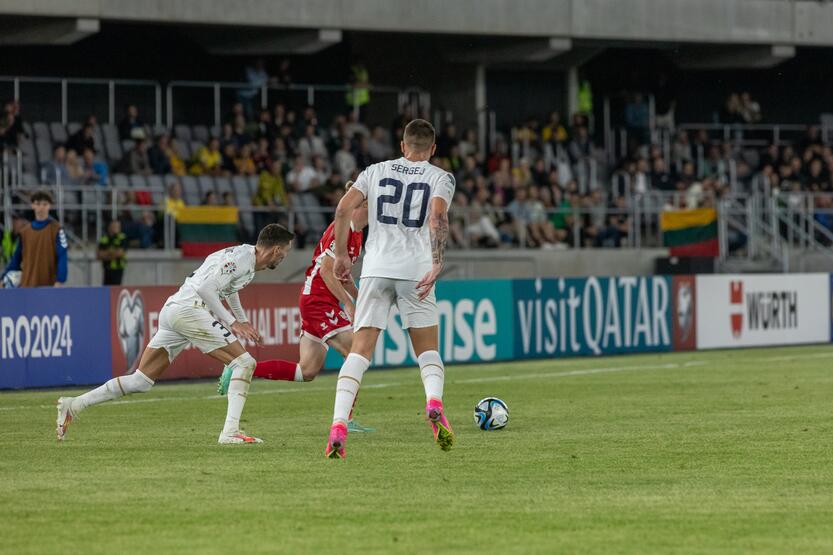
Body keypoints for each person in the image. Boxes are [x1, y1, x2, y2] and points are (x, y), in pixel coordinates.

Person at [56, 224, 295, 444]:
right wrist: (232, 322)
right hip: (189, 310)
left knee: (141, 381)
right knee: (245, 362)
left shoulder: (246, 260)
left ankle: (74, 405)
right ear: (275, 250)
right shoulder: (241, 260)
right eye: (284, 253)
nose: (284, 257)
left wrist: (242, 319)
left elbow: (229, 289)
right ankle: (230, 432)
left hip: (173, 310)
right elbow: (206, 289)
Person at [323, 119, 455, 459]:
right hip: (415, 270)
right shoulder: (441, 177)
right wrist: (438, 262)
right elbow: (437, 216)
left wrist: (341, 255)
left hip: (376, 270)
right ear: (433, 148)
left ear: (402, 145)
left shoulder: (374, 171)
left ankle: (338, 424)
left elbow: (343, 209)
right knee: (427, 351)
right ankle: (434, 403)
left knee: (360, 352)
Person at [217, 181, 374, 433]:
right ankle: (345, 419)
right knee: (357, 350)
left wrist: (359, 296)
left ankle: (241, 367)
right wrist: (348, 302)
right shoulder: (342, 230)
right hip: (318, 300)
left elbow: (341, 273)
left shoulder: (356, 233)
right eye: (372, 205)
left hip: (320, 299)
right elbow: (325, 269)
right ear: (361, 205)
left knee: (307, 370)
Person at [1, 190, 68, 288]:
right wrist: (2, 278)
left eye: (45, 204)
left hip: (49, 286)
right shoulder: (24, 232)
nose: (41, 207)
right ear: (32, 205)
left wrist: (60, 280)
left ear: (50, 206)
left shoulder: (56, 230)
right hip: (27, 286)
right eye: (38, 204)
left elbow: (62, 255)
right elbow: (15, 260)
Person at [97, 219, 127, 285]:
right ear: (110, 226)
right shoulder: (104, 238)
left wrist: (106, 253)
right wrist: (113, 253)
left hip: (118, 269)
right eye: (114, 226)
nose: (116, 228)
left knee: (116, 289)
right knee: (105, 289)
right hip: (107, 268)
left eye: (118, 226)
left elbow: (120, 253)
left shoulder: (122, 237)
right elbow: (99, 255)